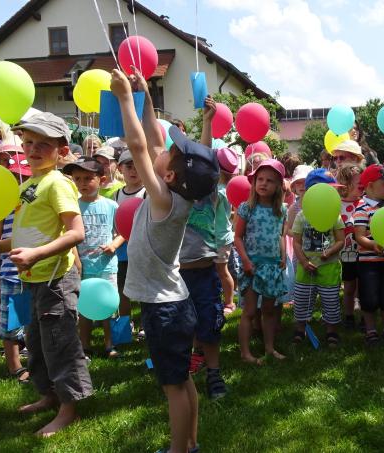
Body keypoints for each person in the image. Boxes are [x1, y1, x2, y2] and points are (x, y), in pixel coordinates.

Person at [0, 112, 91, 437]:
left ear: (62, 151)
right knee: (36, 344)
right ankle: (48, 395)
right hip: (32, 279)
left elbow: (76, 233)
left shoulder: (58, 183)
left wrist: (37, 254)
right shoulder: (29, 185)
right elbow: (27, 233)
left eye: (42, 144)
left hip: (55, 279)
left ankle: (69, 408)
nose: (33, 149)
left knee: (60, 344)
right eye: (28, 143)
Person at [113, 68, 215, 453]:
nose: (162, 148)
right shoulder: (176, 193)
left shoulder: (162, 199)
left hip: (163, 310)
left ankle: (177, 451)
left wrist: (125, 99)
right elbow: (154, 139)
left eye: (169, 153)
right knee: (184, 379)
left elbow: (140, 148)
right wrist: (146, 96)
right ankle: (190, 445)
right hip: (175, 303)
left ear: (169, 173)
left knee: (173, 385)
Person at [177, 97, 229, 400]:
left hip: (205, 272)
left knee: (210, 326)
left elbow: (204, 159)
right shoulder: (174, 198)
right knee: (182, 328)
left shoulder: (210, 195)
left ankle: (214, 372)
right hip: (177, 276)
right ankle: (184, 375)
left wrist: (207, 122)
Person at [64, 157, 123, 359]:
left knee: (109, 305)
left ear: (102, 180)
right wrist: (75, 259)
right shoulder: (72, 207)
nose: (82, 184)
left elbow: (123, 230)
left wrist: (114, 244)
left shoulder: (111, 205)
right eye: (78, 179)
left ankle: (110, 343)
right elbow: (67, 233)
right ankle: (85, 345)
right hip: (82, 266)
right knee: (84, 307)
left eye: (88, 178)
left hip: (106, 265)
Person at [235, 159, 289, 363]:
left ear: (278, 186)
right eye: (260, 179)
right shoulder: (246, 207)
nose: (263, 184)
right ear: (254, 182)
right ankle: (245, 353)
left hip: (272, 266)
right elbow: (237, 237)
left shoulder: (281, 210)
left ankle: (269, 348)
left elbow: (279, 235)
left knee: (268, 311)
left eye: (269, 181)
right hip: (253, 266)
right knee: (249, 311)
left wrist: (283, 256)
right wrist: (246, 261)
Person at [291, 169, 345, 347]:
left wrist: (329, 252)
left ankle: (332, 331)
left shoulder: (334, 215)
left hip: (328, 267)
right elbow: (297, 243)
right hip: (305, 268)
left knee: (330, 301)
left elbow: (340, 240)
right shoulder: (301, 215)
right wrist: (304, 262)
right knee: (302, 299)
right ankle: (301, 328)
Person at [0, 157, 33, 384]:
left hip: (39, 269)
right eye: (16, 177)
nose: (21, 181)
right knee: (13, 322)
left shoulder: (39, 202)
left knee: (33, 321)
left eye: (25, 177)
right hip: (12, 270)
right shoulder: (4, 205)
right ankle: (14, 366)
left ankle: (35, 361)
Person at [354, 164, 384, 345]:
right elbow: (359, 236)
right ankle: (371, 329)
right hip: (369, 261)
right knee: (369, 296)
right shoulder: (362, 208)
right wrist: (372, 244)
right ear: (370, 186)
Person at [113, 150, 146, 337]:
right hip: (122, 251)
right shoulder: (117, 194)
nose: (133, 171)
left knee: (143, 288)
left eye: (137, 166)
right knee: (122, 290)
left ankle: (145, 324)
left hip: (142, 249)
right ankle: (125, 326)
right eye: (128, 166)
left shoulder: (146, 193)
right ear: (120, 169)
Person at [336, 164, 364, 330]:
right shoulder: (336, 205)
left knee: (363, 288)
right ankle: (348, 315)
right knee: (349, 287)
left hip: (364, 252)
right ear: (345, 186)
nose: (363, 185)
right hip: (347, 254)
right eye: (358, 183)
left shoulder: (364, 203)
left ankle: (362, 317)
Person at [215, 148, 238, 315]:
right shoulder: (227, 188)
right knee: (220, 272)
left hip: (220, 237)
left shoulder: (219, 191)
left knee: (222, 271)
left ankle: (229, 302)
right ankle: (223, 300)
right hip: (219, 236)